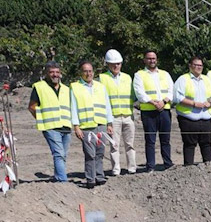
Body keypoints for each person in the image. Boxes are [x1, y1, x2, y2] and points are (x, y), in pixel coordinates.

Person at [70, 60, 114, 188]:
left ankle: (99, 176)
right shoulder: (75, 87)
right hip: (86, 126)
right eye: (85, 71)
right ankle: (90, 179)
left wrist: (109, 123)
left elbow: (107, 106)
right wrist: (76, 126)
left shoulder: (100, 86)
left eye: (90, 71)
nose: (88, 74)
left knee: (100, 152)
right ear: (81, 72)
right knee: (90, 154)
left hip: (100, 124)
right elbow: (73, 108)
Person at [28, 61, 73, 182]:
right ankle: (62, 181)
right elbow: (32, 107)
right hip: (50, 127)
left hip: (66, 126)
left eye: (57, 72)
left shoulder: (67, 89)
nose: (55, 75)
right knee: (58, 154)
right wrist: (41, 118)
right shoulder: (39, 87)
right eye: (52, 72)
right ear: (46, 73)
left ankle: (58, 177)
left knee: (63, 155)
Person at [172, 56, 211, 166]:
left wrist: (210, 103)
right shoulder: (183, 79)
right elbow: (177, 97)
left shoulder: (207, 80)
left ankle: (208, 167)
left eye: (200, 65)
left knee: (206, 143)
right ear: (190, 66)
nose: (198, 67)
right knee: (189, 144)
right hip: (188, 118)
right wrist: (193, 104)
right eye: (196, 65)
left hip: (205, 118)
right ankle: (189, 169)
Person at [133, 50, 174, 171]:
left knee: (165, 139)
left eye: (154, 58)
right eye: (149, 58)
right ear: (145, 60)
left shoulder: (165, 74)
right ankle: (150, 166)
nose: (152, 60)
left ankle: (167, 164)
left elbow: (171, 90)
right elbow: (140, 93)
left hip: (164, 111)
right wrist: (153, 102)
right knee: (150, 140)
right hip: (149, 112)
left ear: (157, 60)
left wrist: (164, 101)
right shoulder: (139, 75)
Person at [100, 49, 136, 176]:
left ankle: (132, 168)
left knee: (130, 144)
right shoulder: (102, 78)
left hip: (128, 116)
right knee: (114, 145)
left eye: (118, 63)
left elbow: (133, 96)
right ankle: (116, 170)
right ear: (108, 64)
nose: (116, 66)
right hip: (113, 118)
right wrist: (107, 120)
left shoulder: (127, 77)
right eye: (113, 64)